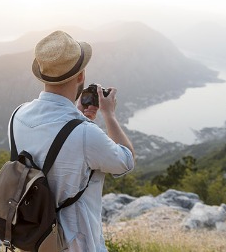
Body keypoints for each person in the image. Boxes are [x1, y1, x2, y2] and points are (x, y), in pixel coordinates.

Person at [9, 30, 135, 251]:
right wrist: (109, 115)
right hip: (76, 242)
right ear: (81, 76)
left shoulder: (17, 115)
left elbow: (45, 147)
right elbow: (125, 161)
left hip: (33, 236)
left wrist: (76, 117)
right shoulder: (85, 134)